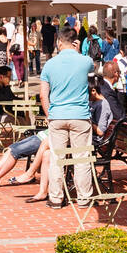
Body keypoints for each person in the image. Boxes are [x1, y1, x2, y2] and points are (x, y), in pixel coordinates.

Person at [38, 26, 94, 210]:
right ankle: (84, 198)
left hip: (57, 115)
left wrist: (49, 115)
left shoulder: (50, 64)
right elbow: (92, 75)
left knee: (57, 158)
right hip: (80, 115)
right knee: (82, 158)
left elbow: (43, 95)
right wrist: (78, 52)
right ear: (75, 42)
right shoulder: (85, 61)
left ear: (59, 42)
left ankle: (55, 197)